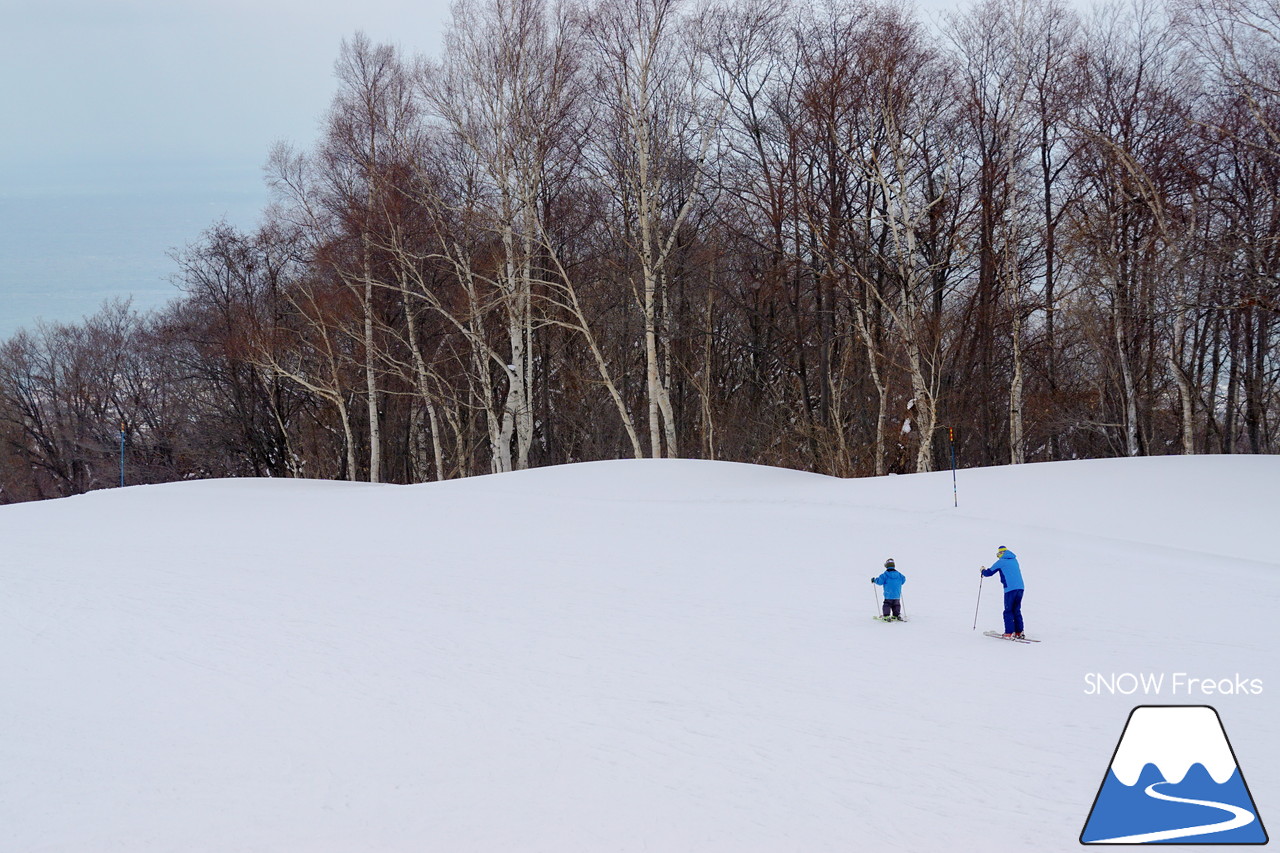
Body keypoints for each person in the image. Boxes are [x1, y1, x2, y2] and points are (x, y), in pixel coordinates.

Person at [981, 545, 1025, 638]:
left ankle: (1009, 632)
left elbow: (989, 573)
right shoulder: (1014, 560)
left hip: (1010, 589)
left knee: (1008, 610)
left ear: (1001, 553)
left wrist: (982, 571)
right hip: (1020, 587)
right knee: (1016, 610)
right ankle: (1019, 631)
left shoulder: (1001, 562)